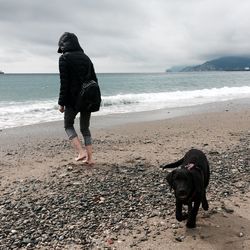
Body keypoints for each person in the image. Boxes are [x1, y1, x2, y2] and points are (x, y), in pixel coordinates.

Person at [57, 32, 97, 165]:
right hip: (88, 97)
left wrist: (61, 103)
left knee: (68, 125)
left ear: (63, 45)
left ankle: (81, 152)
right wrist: (95, 98)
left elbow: (64, 83)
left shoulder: (64, 59)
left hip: (73, 100)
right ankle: (90, 158)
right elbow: (94, 80)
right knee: (85, 128)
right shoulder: (86, 58)